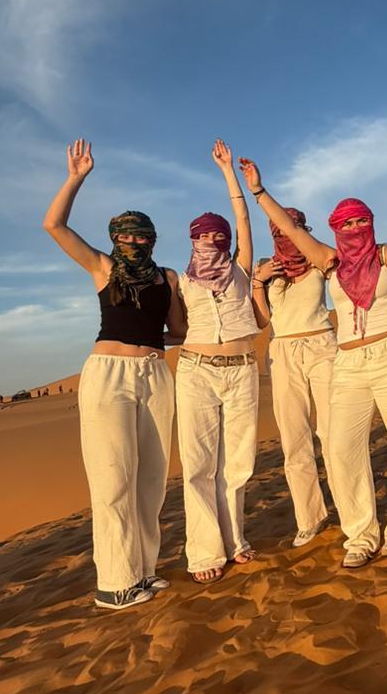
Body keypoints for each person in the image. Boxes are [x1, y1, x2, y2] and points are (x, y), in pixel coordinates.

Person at [239, 158, 387, 568]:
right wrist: (257, 190)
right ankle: (360, 532)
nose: (354, 230)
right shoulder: (330, 261)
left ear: (371, 223)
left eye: (361, 222)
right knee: (340, 446)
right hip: (348, 361)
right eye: (345, 224)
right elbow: (289, 229)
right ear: (334, 230)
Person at [42, 138, 185, 611]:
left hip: (155, 375)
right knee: (113, 478)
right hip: (108, 378)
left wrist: (155, 336)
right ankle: (114, 584)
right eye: (128, 236)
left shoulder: (167, 278)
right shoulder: (103, 268)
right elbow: (54, 225)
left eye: (144, 235)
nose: (137, 242)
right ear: (114, 238)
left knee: (151, 480)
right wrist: (76, 177)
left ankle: (142, 571)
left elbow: (178, 331)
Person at [175, 140, 269, 584]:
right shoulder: (181, 282)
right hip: (195, 371)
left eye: (219, 235)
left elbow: (244, 218)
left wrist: (228, 172)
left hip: (243, 371)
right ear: (192, 240)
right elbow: (174, 328)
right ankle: (204, 552)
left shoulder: (242, 268)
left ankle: (236, 542)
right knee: (198, 465)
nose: (212, 240)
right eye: (204, 235)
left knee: (238, 463)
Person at [253, 206, 338, 548]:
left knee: (334, 432)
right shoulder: (267, 268)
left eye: (292, 228)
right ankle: (310, 517)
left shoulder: (319, 258)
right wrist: (259, 281)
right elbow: (261, 321)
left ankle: (350, 508)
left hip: (322, 344)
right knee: (294, 438)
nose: (285, 235)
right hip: (283, 350)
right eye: (278, 231)